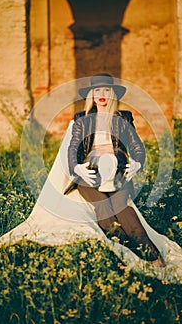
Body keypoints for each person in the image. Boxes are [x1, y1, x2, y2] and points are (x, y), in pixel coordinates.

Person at [64, 73, 165, 267]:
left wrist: (137, 162)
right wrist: (76, 167)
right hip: (90, 173)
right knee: (103, 208)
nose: (102, 94)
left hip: (117, 173)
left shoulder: (123, 117)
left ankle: (153, 256)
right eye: (97, 90)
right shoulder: (82, 119)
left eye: (106, 90)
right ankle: (129, 253)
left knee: (122, 209)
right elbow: (73, 146)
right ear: (91, 95)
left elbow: (136, 145)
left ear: (112, 95)